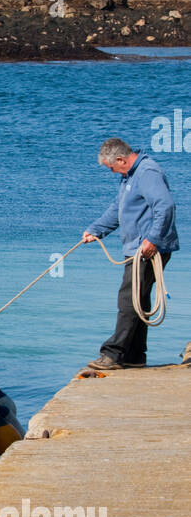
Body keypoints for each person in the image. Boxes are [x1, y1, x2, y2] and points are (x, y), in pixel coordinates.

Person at [82, 138, 178, 369]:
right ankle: (134, 357)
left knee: (128, 300)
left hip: (147, 250)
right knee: (138, 300)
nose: (112, 172)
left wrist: (153, 239)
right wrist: (96, 230)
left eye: (112, 168)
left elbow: (165, 206)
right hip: (136, 248)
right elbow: (118, 209)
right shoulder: (129, 176)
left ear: (121, 159)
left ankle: (113, 354)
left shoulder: (147, 172)